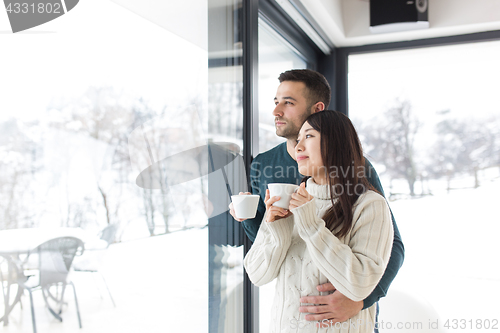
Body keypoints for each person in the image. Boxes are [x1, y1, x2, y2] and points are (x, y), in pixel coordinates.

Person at [229, 69, 404, 325]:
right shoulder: (262, 165)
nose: (277, 111)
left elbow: (391, 245)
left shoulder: (356, 168)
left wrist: (360, 301)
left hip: (343, 319)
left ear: (317, 109)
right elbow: (275, 250)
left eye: (288, 102)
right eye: (276, 102)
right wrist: (251, 219)